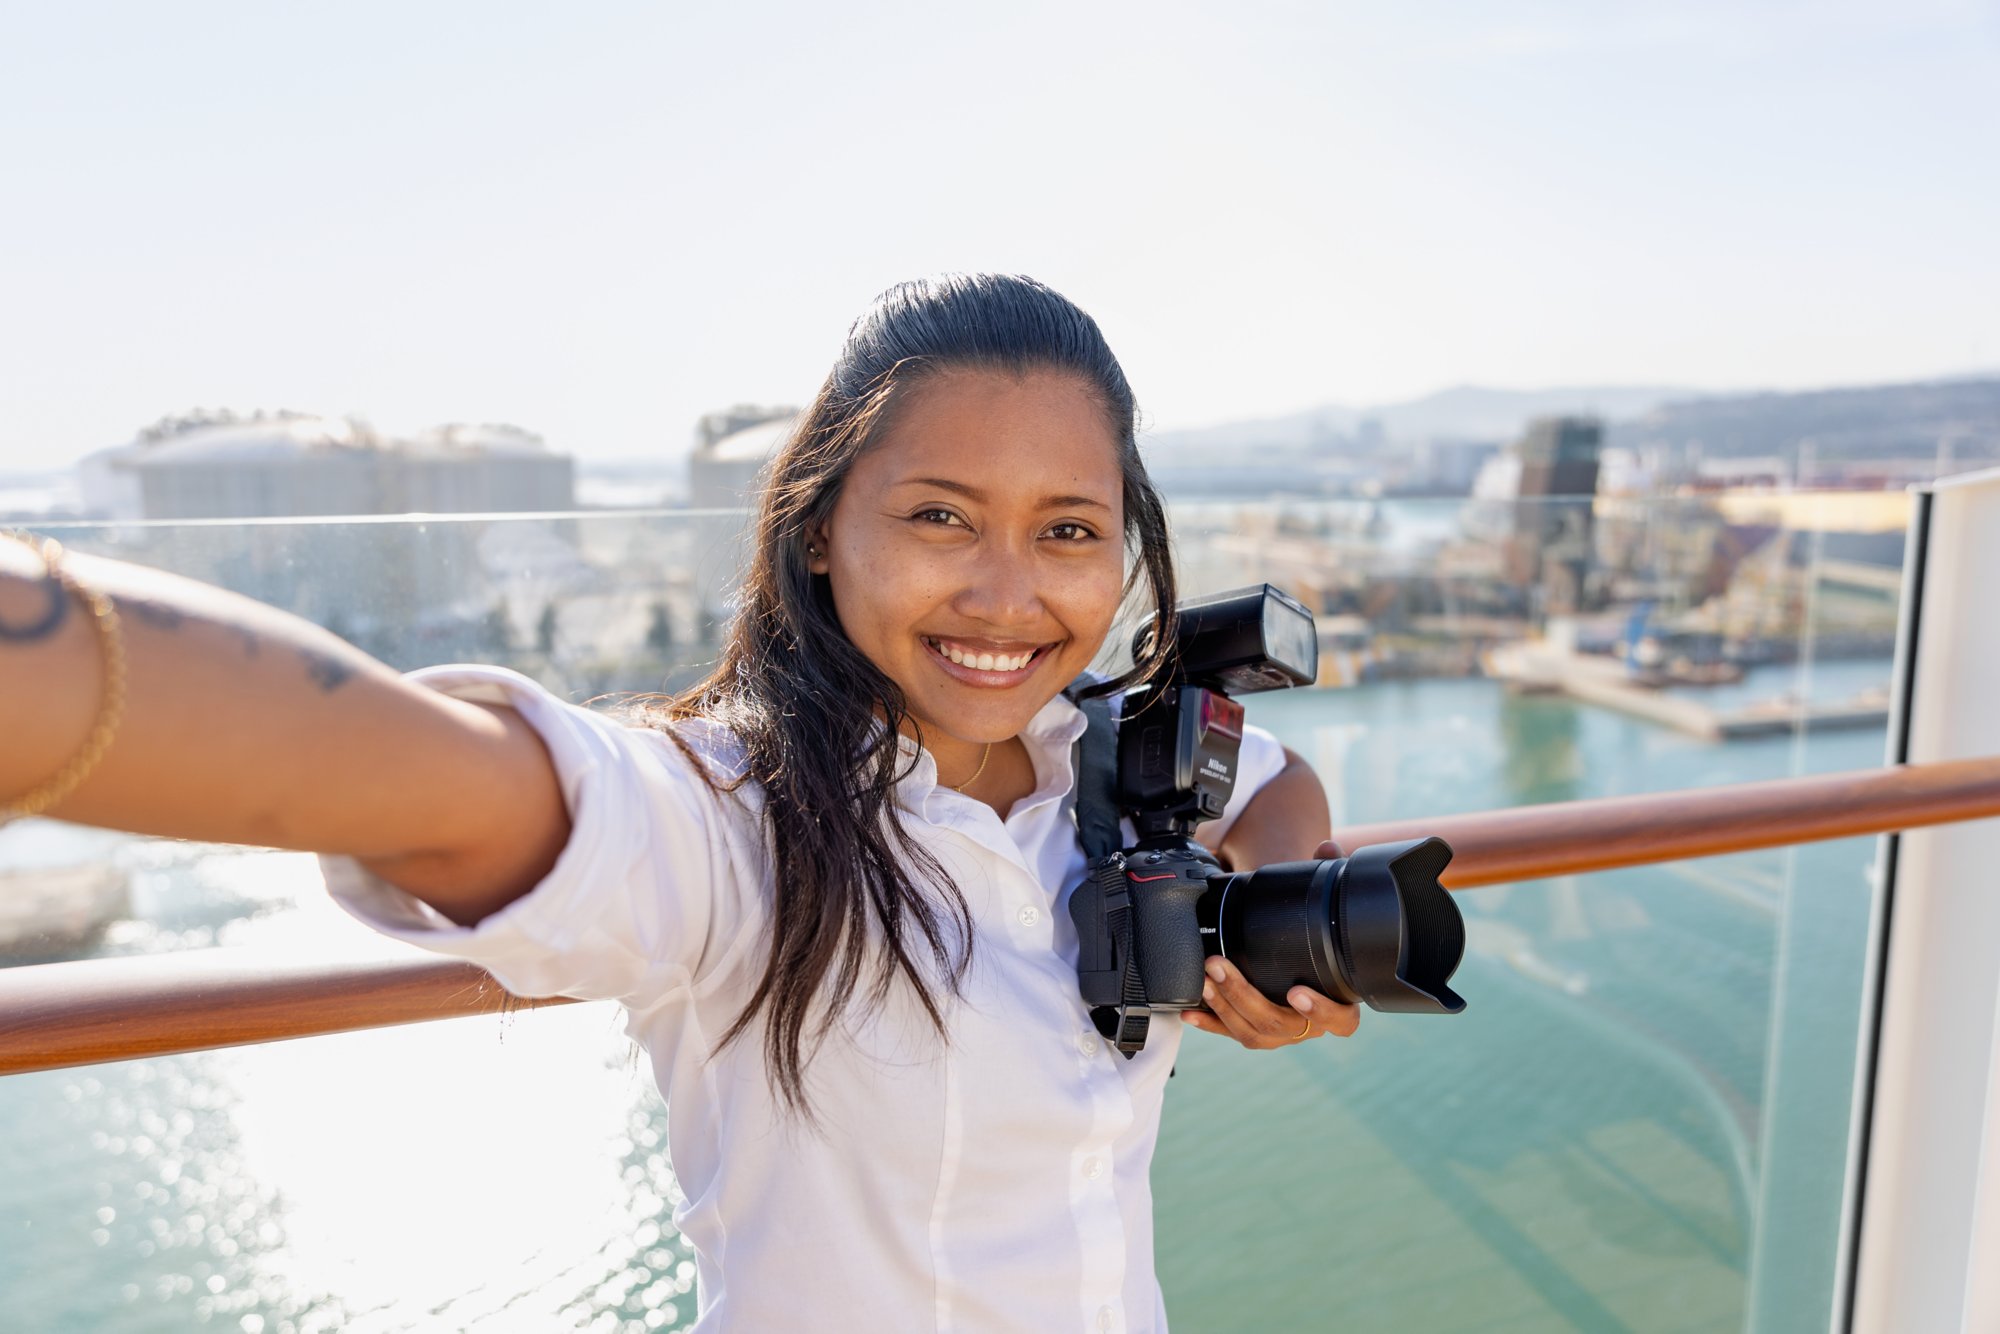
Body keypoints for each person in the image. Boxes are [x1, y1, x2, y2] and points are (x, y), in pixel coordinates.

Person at [0, 273, 1357, 1331]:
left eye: (1069, 529)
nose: (1010, 595)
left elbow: (1280, 779)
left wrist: (1262, 928)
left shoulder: (1119, 760)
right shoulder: (731, 820)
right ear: (821, 527)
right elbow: (418, 773)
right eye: (941, 516)